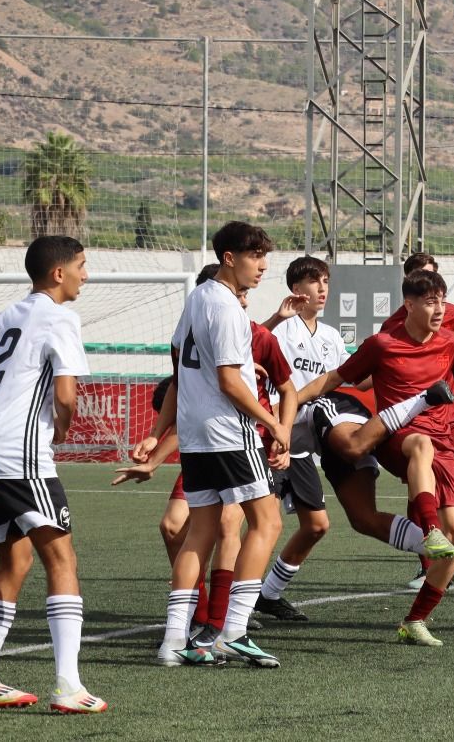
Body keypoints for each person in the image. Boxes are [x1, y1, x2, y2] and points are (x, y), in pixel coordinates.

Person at [0, 235, 107, 713]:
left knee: (14, 562)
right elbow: (65, 394)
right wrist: (60, 429)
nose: (86, 274)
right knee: (62, 560)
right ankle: (69, 687)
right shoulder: (59, 317)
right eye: (82, 265)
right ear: (58, 273)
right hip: (20, 458)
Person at [295, 268, 454, 647]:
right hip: (399, 435)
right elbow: (338, 378)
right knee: (419, 448)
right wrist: (286, 407)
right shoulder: (383, 341)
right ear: (409, 303)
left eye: (441, 300)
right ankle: (428, 530)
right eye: (430, 300)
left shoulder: (449, 336)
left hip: (446, 440)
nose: (438, 308)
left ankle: (414, 621)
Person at [157, 221, 291, 669]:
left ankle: (175, 640)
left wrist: (159, 432)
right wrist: (274, 423)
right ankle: (234, 630)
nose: (263, 265)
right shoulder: (229, 308)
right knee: (268, 522)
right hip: (228, 434)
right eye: (255, 255)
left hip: (195, 438)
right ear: (228, 258)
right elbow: (231, 382)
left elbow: (178, 373)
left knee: (201, 531)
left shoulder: (195, 299)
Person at [384, 251, 454, 591]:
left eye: (431, 278)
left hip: (450, 420)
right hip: (413, 424)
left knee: (451, 493)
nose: (428, 286)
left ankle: (452, 547)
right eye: (418, 277)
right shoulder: (392, 327)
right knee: (419, 490)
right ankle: (427, 561)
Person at [254, 255, 351, 621]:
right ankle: (233, 607)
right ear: (297, 290)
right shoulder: (281, 331)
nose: (322, 288)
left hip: (301, 450)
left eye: (325, 280)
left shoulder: (329, 336)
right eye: (314, 281)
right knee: (258, 524)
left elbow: (351, 376)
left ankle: (268, 595)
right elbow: (250, 346)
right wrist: (279, 433)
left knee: (316, 525)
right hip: (272, 441)